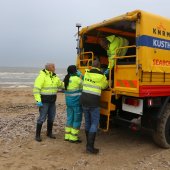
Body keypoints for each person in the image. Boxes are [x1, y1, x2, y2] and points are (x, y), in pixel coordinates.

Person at [80, 60, 108, 154]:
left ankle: (88, 144)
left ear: (91, 66)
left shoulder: (87, 73)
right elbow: (104, 86)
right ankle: (90, 147)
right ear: (99, 67)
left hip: (84, 100)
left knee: (87, 121)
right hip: (94, 101)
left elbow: (82, 79)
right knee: (94, 123)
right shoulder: (101, 76)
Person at [33, 63, 64, 142]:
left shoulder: (54, 76)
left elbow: (61, 85)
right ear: (49, 68)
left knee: (51, 117)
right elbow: (36, 90)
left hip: (52, 101)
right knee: (42, 118)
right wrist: (38, 101)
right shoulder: (41, 76)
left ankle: (49, 133)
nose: (55, 68)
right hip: (44, 102)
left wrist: (69, 81)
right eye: (53, 66)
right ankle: (37, 135)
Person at [63, 65, 83, 143]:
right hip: (76, 103)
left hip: (69, 103)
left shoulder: (66, 79)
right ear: (75, 71)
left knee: (69, 119)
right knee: (76, 120)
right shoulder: (77, 79)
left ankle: (67, 136)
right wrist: (81, 75)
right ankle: (73, 138)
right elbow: (84, 86)